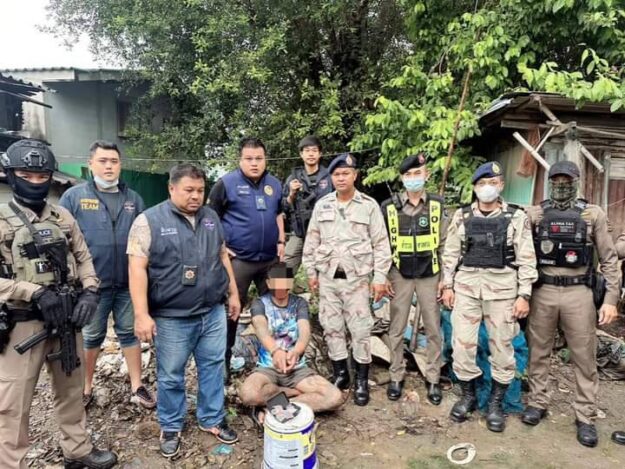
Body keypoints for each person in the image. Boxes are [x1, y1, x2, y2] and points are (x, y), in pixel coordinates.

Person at [0, 139, 117, 468]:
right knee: (13, 402)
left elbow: (84, 258)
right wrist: (32, 292)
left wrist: (91, 292)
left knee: (71, 390)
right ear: (10, 175)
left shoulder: (62, 216)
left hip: (66, 319)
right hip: (22, 324)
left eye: (42, 177)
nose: (35, 183)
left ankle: (77, 451)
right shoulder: (2, 219)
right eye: (26, 176)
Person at [128, 164, 240, 458]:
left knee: (213, 366)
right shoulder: (148, 221)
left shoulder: (211, 217)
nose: (196, 196)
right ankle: (171, 425)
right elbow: (137, 269)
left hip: (212, 312)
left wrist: (233, 293)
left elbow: (222, 255)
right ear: (172, 188)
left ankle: (211, 418)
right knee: (171, 374)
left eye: (200, 190)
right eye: (189, 190)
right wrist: (141, 314)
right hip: (171, 317)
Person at [522, 160, 619, 448]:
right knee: (538, 351)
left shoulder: (593, 214)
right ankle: (537, 402)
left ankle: (585, 416)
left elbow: (610, 259)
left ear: (577, 182)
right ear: (549, 182)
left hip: (579, 293)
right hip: (543, 291)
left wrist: (611, 300)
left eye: (567, 180)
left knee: (584, 356)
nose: (561, 185)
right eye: (556, 180)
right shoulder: (535, 214)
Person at [441, 161, 537, 433]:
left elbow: (527, 258)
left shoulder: (516, 217)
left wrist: (524, 295)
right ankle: (468, 397)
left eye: (492, 183)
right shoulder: (462, 216)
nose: (487, 188)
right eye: (482, 184)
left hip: (503, 293)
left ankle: (496, 404)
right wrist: (447, 286)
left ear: (501, 185)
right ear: (474, 188)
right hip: (467, 290)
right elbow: (450, 254)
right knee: (462, 347)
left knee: (503, 349)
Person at [59, 140, 155, 409]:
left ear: (120, 165)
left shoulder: (133, 199)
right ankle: (85, 387)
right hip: (91, 285)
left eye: (114, 161)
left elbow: (145, 240)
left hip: (127, 283)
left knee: (130, 333)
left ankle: (137, 386)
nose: (109, 166)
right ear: (91, 164)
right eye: (103, 161)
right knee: (91, 336)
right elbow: (63, 241)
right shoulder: (74, 197)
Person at [302, 153, 392, 406]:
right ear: (331, 178)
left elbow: (381, 244)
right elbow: (312, 239)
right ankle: (341, 374)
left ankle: (361, 379)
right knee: (331, 326)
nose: (341, 178)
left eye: (345, 173)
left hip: (357, 279)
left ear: (355, 175)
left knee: (360, 329)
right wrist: (310, 272)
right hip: (328, 277)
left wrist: (380, 277)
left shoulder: (369, 205)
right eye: (336, 174)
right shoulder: (323, 205)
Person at [208, 137, 285, 378]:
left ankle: (279, 359)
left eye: (259, 158)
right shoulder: (225, 183)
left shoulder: (275, 184)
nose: (254, 163)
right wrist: (221, 247)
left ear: (265, 159)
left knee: (279, 308)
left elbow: (279, 214)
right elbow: (209, 219)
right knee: (231, 310)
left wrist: (281, 241)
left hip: (271, 259)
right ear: (240, 160)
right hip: (238, 261)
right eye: (249, 159)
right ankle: (224, 361)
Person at [380, 153, 448, 403]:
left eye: (417, 173)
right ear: (402, 179)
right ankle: (396, 375)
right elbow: (382, 245)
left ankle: (433, 378)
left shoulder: (438, 204)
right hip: (400, 274)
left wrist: (446, 279)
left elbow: (445, 244)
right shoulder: (389, 207)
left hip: (431, 274)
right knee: (396, 328)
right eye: (408, 175)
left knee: (433, 328)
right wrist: (383, 276)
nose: (413, 178)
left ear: (426, 175)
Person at [238, 262, 344, 421]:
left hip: (297, 369)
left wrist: (296, 351)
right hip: (268, 368)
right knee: (248, 394)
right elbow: (261, 328)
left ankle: (273, 408)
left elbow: (304, 331)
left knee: (334, 397)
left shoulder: (299, 303)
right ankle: (292, 394)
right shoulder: (260, 303)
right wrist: (275, 351)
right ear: (269, 283)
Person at [282, 135, 332, 273]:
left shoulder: (330, 176)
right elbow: (282, 208)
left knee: (328, 272)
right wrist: (291, 194)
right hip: (299, 231)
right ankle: (278, 288)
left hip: (326, 233)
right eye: (307, 150)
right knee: (282, 270)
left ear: (320, 154)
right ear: (301, 154)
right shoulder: (293, 178)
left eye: (314, 150)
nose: (311, 154)